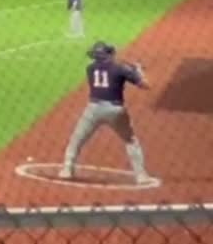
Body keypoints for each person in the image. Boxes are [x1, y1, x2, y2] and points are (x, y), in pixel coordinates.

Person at [60, 41, 154, 183]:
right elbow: (146, 85)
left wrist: (128, 70)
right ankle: (141, 175)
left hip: (93, 109)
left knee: (77, 139)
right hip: (115, 111)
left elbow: (108, 72)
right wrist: (138, 71)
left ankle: (67, 169)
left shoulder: (90, 68)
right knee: (130, 141)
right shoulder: (121, 68)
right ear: (110, 54)